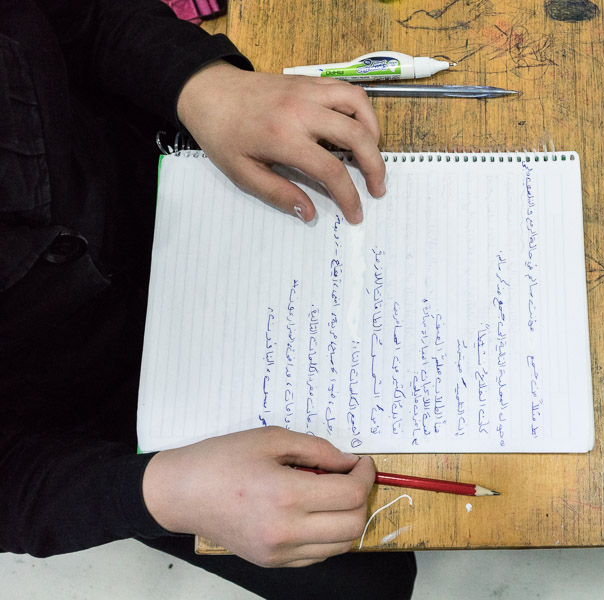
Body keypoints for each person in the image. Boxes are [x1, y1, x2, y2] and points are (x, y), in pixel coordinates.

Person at [0, 1, 416, 598]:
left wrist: (203, 86)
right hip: (87, 421)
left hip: (194, 173)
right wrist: (164, 493)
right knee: (365, 572)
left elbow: (79, 18)